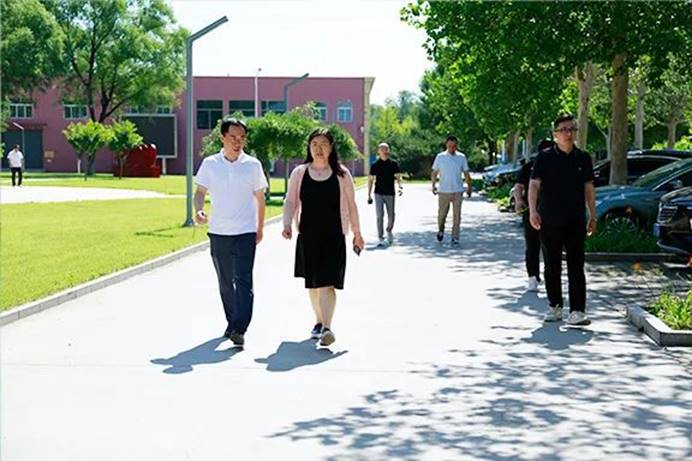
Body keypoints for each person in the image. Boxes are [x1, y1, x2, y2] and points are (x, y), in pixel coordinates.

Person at [282, 128, 364, 347]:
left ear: (331, 148)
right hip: (308, 235)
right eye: (314, 144)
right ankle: (319, 321)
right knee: (313, 284)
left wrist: (357, 233)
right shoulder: (300, 173)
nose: (318, 149)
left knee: (328, 283)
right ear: (309, 148)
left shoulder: (342, 174)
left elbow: (352, 205)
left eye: (323, 144)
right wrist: (287, 224)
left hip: (334, 236)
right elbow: (290, 201)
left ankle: (327, 328)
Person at [194, 118, 268, 347]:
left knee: (243, 280)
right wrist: (199, 210)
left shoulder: (253, 165)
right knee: (226, 282)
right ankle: (232, 322)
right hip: (218, 232)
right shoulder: (210, 164)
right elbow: (200, 192)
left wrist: (260, 227)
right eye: (233, 137)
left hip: (245, 231)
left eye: (242, 138)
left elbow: (260, 199)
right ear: (222, 137)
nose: (238, 142)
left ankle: (240, 328)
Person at [529, 114, 596, 326]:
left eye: (572, 129)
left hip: (575, 219)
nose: (568, 134)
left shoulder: (583, 158)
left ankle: (577, 311)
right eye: (564, 130)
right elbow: (534, 185)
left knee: (576, 266)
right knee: (552, 265)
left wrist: (592, 215)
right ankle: (555, 306)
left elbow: (589, 188)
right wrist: (532, 211)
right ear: (555, 134)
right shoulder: (544, 158)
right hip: (549, 219)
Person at [514, 139, 554, 292]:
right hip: (531, 211)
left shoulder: (558, 168)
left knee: (550, 246)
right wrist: (518, 201)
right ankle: (533, 276)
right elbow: (519, 186)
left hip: (552, 213)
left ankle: (550, 277)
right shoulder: (529, 167)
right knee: (532, 245)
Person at [431, 135, 473, 245]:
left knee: (457, 216)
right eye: (450, 146)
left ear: (457, 146)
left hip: (457, 190)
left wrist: (469, 187)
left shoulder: (461, 157)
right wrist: (433, 185)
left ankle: (455, 237)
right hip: (444, 191)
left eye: (454, 146)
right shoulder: (440, 157)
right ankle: (441, 230)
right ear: (446, 145)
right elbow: (434, 172)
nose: (452, 148)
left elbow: (466, 173)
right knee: (442, 214)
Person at [367, 142, 403, 247]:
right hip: (378, 193)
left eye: (386, 149)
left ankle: (389, 230)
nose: (384, 151)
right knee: (379, 216)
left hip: (390, 193)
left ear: (388, 151)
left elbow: (398, 177)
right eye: (382, 149)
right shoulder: (375, 165)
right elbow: (370, 180)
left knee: (391, 215)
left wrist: (400, 187)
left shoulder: (393, 164)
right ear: (378, 151)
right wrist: (369, 194)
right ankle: (380, 237)